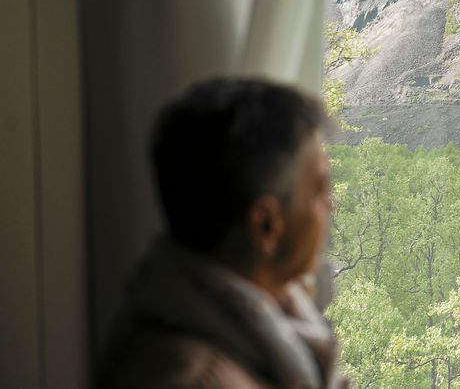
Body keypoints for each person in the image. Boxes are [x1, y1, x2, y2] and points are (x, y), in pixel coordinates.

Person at [98, 77, 349, 388]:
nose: (331, 205)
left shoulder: (272, 325)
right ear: (265, 226)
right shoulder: (192, 378)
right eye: (319, 190)